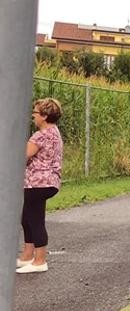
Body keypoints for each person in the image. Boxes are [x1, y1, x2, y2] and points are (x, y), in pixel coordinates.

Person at [17, 98, 63, 274]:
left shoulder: (40, 135)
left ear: (44, 116)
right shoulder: (54, 132)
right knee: (27, 217)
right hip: (48, 182)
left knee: (34, 220)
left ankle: (39, 261)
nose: (33, 116)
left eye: (35, 113)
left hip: (38, 183)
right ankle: (27, 256)